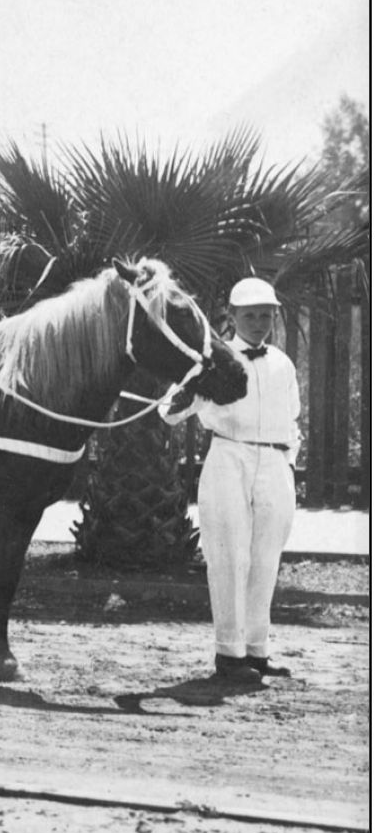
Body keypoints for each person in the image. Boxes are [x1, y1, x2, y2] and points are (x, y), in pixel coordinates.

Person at [161, 276, 301, 685]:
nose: (259, 323)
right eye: (250, 315)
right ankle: (229, 653)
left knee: (265, 558)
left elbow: (293, 418)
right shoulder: (214, 360)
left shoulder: (282, 363)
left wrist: (288, 461)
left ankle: (257, 650)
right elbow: (169, 411)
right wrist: (199, 394)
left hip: (274, 462)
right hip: (229, 456)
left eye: (266, 315)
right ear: (232, 317)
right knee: (229, 557)